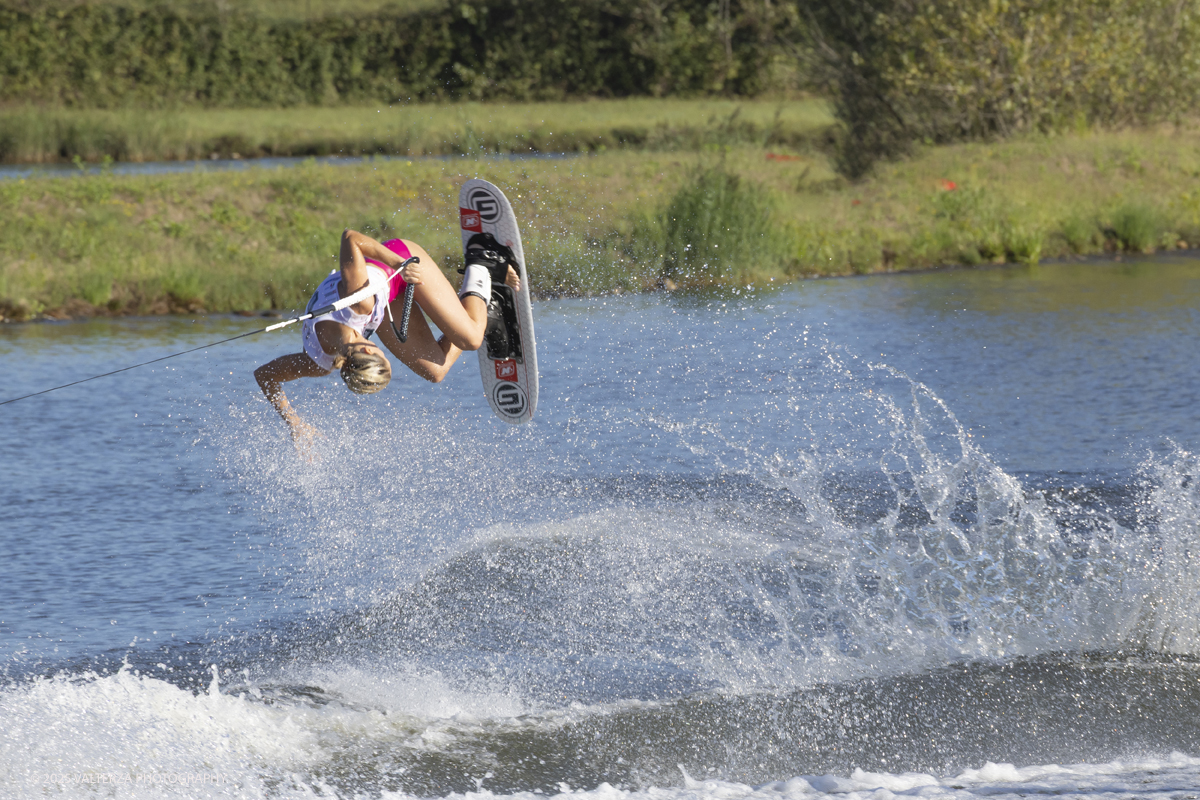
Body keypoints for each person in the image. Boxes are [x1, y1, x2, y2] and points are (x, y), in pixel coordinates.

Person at [254, 228, 519, 439]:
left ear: (366, 349)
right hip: (385, 303)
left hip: (399, 262)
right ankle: (486, 305)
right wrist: (295, 424)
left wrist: (400, 263)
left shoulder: (359, 302)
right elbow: (264, 375)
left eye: (383, 356)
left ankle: (481, 260)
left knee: (471, 339)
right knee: (436, 372)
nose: (386, 351)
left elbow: (350, 238)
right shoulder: (319, 362)